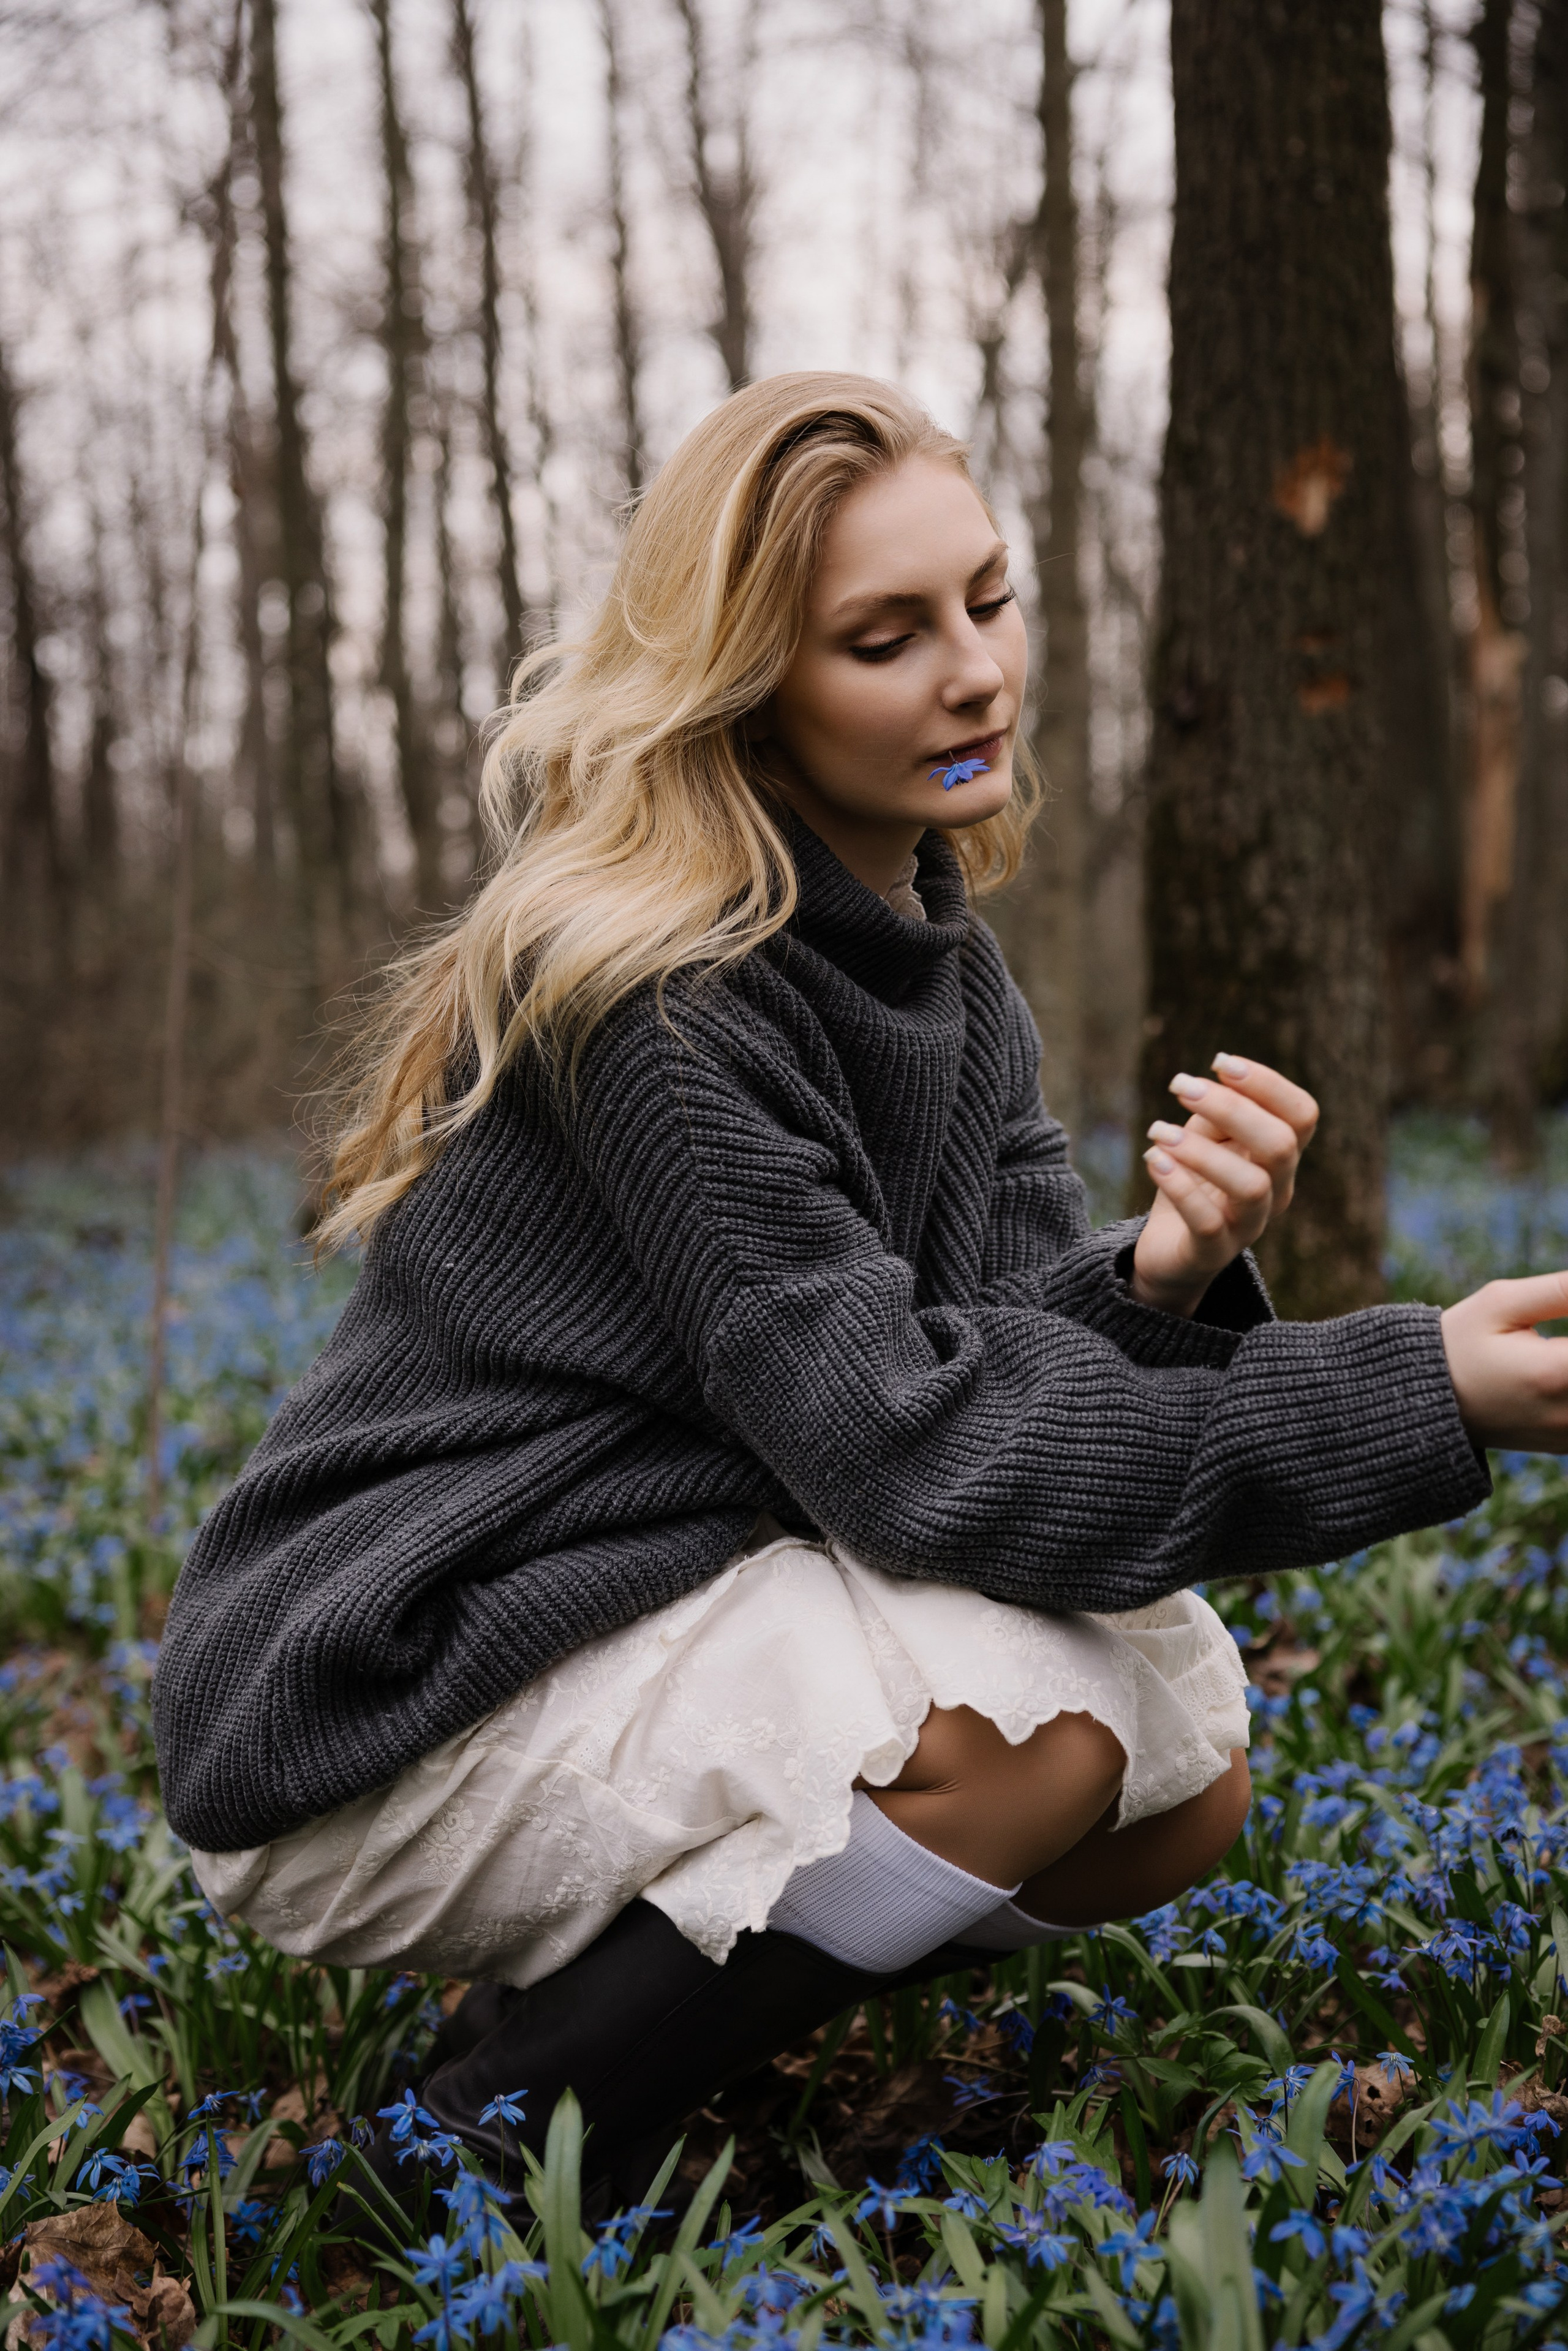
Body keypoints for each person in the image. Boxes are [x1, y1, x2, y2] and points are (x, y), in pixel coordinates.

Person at [151, 373, 1568, 2210]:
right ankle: (491, 2139)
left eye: (987, 600)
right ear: (753, 684)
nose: (973, 673)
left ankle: (587, 2018)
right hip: (393, 1679)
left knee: (1179, 1777)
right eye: (885, 638)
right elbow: (919, 1453)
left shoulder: (939, 965)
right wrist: (1414, 1394)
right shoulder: (666, 1004)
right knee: (1033, 1750)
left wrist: (1159, 1274)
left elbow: (955, 1363)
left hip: (646, 1585)